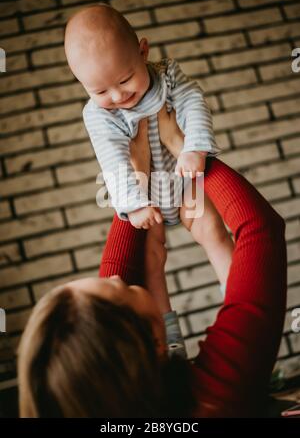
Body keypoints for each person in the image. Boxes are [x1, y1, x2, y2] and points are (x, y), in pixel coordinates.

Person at [17, 107, 287, 418]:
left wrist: (137, 182)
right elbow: (261, 230)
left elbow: (119, 274)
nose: (119, 278)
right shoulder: (218, 398)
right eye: (120, 290)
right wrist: (190, 153)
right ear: (151, 342)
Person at [64, 4, 234, 357]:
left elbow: (194, 104)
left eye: (125, 80)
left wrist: (195, 148)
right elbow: (112, 159)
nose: (117, 96)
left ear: (143, 51)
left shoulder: (168, 76)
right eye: (100, 90)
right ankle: (171, 341)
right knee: (151, 262)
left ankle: (235, 302)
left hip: (186, 185)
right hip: (147, 198)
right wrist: (135, 203)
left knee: (214, 233)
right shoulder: (98, 115)